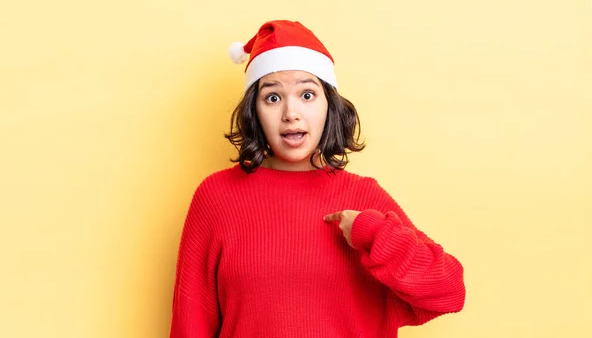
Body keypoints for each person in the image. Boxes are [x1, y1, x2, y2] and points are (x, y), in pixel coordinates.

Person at [169, 20, 466, 338]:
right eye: (272, 98)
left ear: (330, 106)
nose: (290, 113)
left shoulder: (364, 197)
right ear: (254, 112)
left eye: (307, 94)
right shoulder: (217, 196)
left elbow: (448, 291)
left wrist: (375, 235)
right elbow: (191, 324)